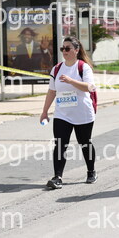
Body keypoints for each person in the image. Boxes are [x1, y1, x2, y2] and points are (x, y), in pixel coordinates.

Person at [40, 37, 97, 190]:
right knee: (60, 144)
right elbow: (52, 91)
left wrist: (71, 81)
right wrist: (45, 111)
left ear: (76, 50)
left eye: (67, 48)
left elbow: (89, 87)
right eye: (62, 48)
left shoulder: (83, 67)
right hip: (62, 114)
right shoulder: (57, 69)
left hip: (82, 113)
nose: (64, 51)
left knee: (85, 143)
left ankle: (91, 171)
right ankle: (57, 177)